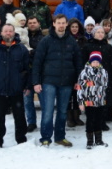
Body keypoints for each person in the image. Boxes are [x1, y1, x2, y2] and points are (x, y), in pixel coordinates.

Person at [32, 14, 83, 147]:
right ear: (54, 24)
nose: (61, 25)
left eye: (63, 23)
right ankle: (46, 138)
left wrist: (78, 80)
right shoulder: (46, 41)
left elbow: (78, 62)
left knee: (62, 111)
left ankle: (60, 137)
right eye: (58, 23)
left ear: (66, 24)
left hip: (66, 82)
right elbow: (37, 62)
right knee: (48, 111)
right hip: (48, 81)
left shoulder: (71, 41)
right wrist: (36, 82)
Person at [0, 23, 29, 148]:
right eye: (6, 31)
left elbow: (28, 69)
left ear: (14, 33)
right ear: (1, 33)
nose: (8, 33)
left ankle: (21, 140)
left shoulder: (22, 49)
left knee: (20, 117)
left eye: (10, 31)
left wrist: (27, 85)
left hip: (16, 90)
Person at [81, 25, 112, 131]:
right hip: (91, 78)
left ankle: (101, 122)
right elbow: (83, 62)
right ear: (93, 34)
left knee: (103, 101)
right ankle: (92, 123)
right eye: (98, 32)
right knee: (92, 102)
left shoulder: (108, 47)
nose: (100, 34)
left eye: (102, 32)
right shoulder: (87, 46)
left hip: (105, 78)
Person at [77, 51, 109, 149]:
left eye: (97, 61)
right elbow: (80, 88)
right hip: (88, 101)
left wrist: (103, 97)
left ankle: (98, 139)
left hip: (99, 101)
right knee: (90, 120)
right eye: (93, 61)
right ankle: (90, 141)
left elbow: (105, 86)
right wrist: (81, 102)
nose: (95, 63)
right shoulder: (84, 72)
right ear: (90, 62)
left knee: (99, 120)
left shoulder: (103, 72)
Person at [24, 16, 45, 132]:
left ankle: (45, 122)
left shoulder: (43, 38)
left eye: (34, 22)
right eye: (30, 23)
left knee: (43, 101)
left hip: (40, 73)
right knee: (27, 100)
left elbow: (43, 53)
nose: (32, 24)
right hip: (26, 73)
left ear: (39, 24)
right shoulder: (23, 37)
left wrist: (33, 52)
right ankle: (31, 122)